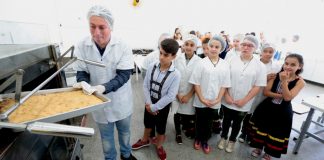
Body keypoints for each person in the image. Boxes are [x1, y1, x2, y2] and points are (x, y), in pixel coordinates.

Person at [73, 5, 136, 160]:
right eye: (92, 27)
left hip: (121, 101)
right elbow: (82, 72)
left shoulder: (122, 46)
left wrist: (103, 87)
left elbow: (124, 75)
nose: (96, 33)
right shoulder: (82, 46)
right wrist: (83, 84)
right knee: (106, 138)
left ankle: (126, 155)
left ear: (111, 26)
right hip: (99, 104)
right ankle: (110, 158)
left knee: (125, 132)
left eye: (102, 27)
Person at [249, 54, 305, 160]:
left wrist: (284, 81)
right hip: (267, 108)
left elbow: (288, 98)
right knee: (262, 128)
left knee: (276, 132)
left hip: (282, 112)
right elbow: (266, 92)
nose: (288, 67)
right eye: (286, 63)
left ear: (299, 66)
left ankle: (268, 153)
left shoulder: (300, 82)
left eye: (293, 65)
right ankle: (258, 148)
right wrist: (282, 95)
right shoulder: (275, 75)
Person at [132, 39, 181, 160]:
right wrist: (149, 103)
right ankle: (145, 140)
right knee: (147, 123)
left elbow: (170, 95)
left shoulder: (175, 74)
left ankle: (159, 146)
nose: (161, 57)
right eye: (161, 53)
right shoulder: (152, 66)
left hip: (162, 105)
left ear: (173, 56)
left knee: (160, 127)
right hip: (149, 102)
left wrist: (155, 107)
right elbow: (145, 85)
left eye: (166, 55)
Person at [218, 35, 267, 153]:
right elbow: (224, 79)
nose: (246, 47)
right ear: (240, 45)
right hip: (228, 98)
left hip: (244, 101)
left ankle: (232, 140)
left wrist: (244, 100)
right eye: (244, 44)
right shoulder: (230, 59)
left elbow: (258, 86)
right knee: (226, 120)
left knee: (237, 122)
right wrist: (226, 96)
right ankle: (223, 138)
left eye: (250, 46)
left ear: (255, 48)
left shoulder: (260, 65)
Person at [189, 35, 231, 154]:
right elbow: (195, 82)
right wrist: (202, 98)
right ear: (208, 47)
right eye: (211, 46)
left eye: (216, 47)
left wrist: (218, 99)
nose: (213, 49)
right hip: (200, 99)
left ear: (221, 48)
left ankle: (205, 140)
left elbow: (224, 84)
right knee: (199, 120)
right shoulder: (201, 63)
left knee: (209, 122)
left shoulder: (225, 65)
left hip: (215, 101)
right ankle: (198, 138)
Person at [238, 43, 282, 143]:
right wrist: (264, 78)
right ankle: (243, 132)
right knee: (247, 113)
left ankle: (251, 135)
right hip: (251, 91)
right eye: (265, 51)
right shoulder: (254, 62)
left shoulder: (276, 66)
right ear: (261, 52)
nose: (268, 54)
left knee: (257, 115)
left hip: (264, 94)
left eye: (271, 52)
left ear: (274, 53)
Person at [173, 34, 201, 144]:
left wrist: (189, 95)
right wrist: (177, 94)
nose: (188, 47)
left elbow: (198, 81)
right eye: (186, 44)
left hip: (191, 93)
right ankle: (178, 133)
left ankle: (187, 128)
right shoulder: (177, 59)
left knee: (189, 114)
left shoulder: (199, 61)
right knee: (176, 113)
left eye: (192, 45)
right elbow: (172, 77)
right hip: (177, 92)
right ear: (183, 45)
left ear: (196, 47)